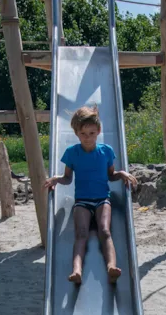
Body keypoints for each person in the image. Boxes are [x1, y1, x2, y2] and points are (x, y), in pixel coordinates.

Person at [43, 105, 137, 284]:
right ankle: (76, 270)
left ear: (99, 131)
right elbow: (67, 178)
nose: (88, 137)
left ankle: (111, 266)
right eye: (83, 134)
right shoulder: (72, 153)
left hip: (103, 199)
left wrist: (121, 174)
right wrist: (56, 179)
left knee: (105, 230)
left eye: (92, 133)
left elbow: (111, 175)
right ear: (76, 133)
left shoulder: (106, 151)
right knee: (81, 233)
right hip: (82, 201)